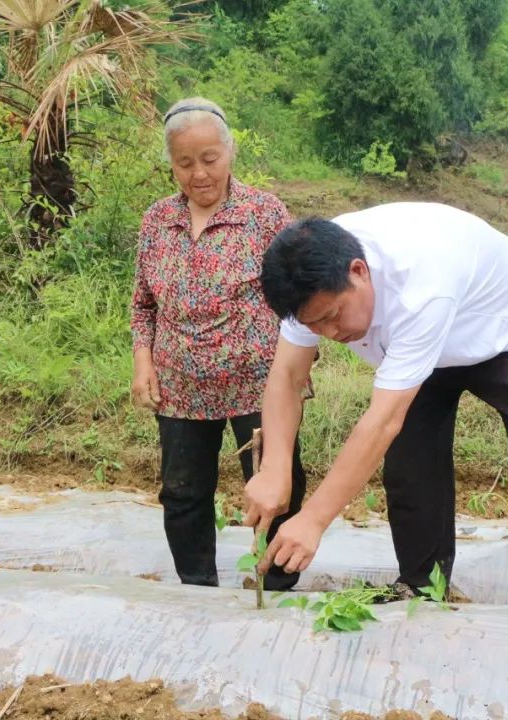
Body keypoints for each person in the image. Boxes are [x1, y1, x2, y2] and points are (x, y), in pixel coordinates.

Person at [244, 202, 508, 607]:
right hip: (417, 345)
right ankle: (420, 590)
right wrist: (274, 467)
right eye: (314, 326)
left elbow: (382, 421)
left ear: (359, 271)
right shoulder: (303, 278)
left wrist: (314, 519)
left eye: (334, 316)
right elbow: (287, 377)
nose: (330, 334)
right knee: (410, 463)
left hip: (505, 330)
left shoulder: (421, 285)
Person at [130, 97, 307, 590]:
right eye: (185, 163)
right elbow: (143, 304)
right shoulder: (157, 221)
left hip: (260, 385)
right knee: (183, 491)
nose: (199, 174)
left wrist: (297, 369)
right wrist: (143, 362)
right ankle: (197, 589)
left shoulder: (264, 213)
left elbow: (299, 294)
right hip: (181, 388)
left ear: (230, 152)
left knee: (275, 483)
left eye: (209, 159)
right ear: (171, 164)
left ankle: (275, 587)